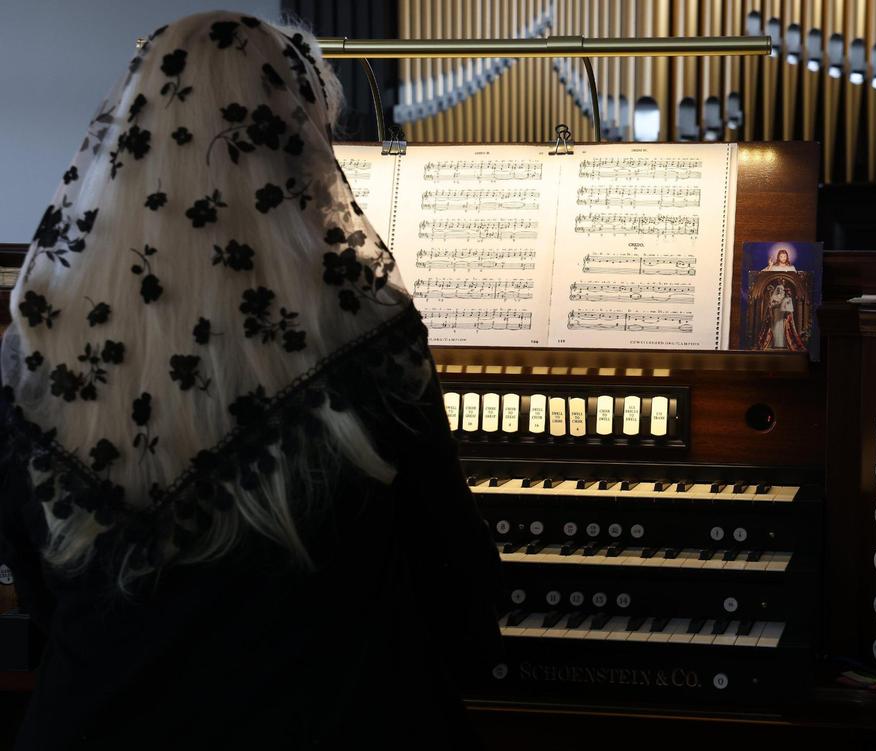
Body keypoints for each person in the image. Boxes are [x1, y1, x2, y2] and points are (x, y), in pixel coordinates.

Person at [0, 11, 502, 749]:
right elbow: (461, 602)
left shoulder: (37, 355)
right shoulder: (369, 343)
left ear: (127, 156)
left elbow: (43, 597)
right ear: (301, 161)